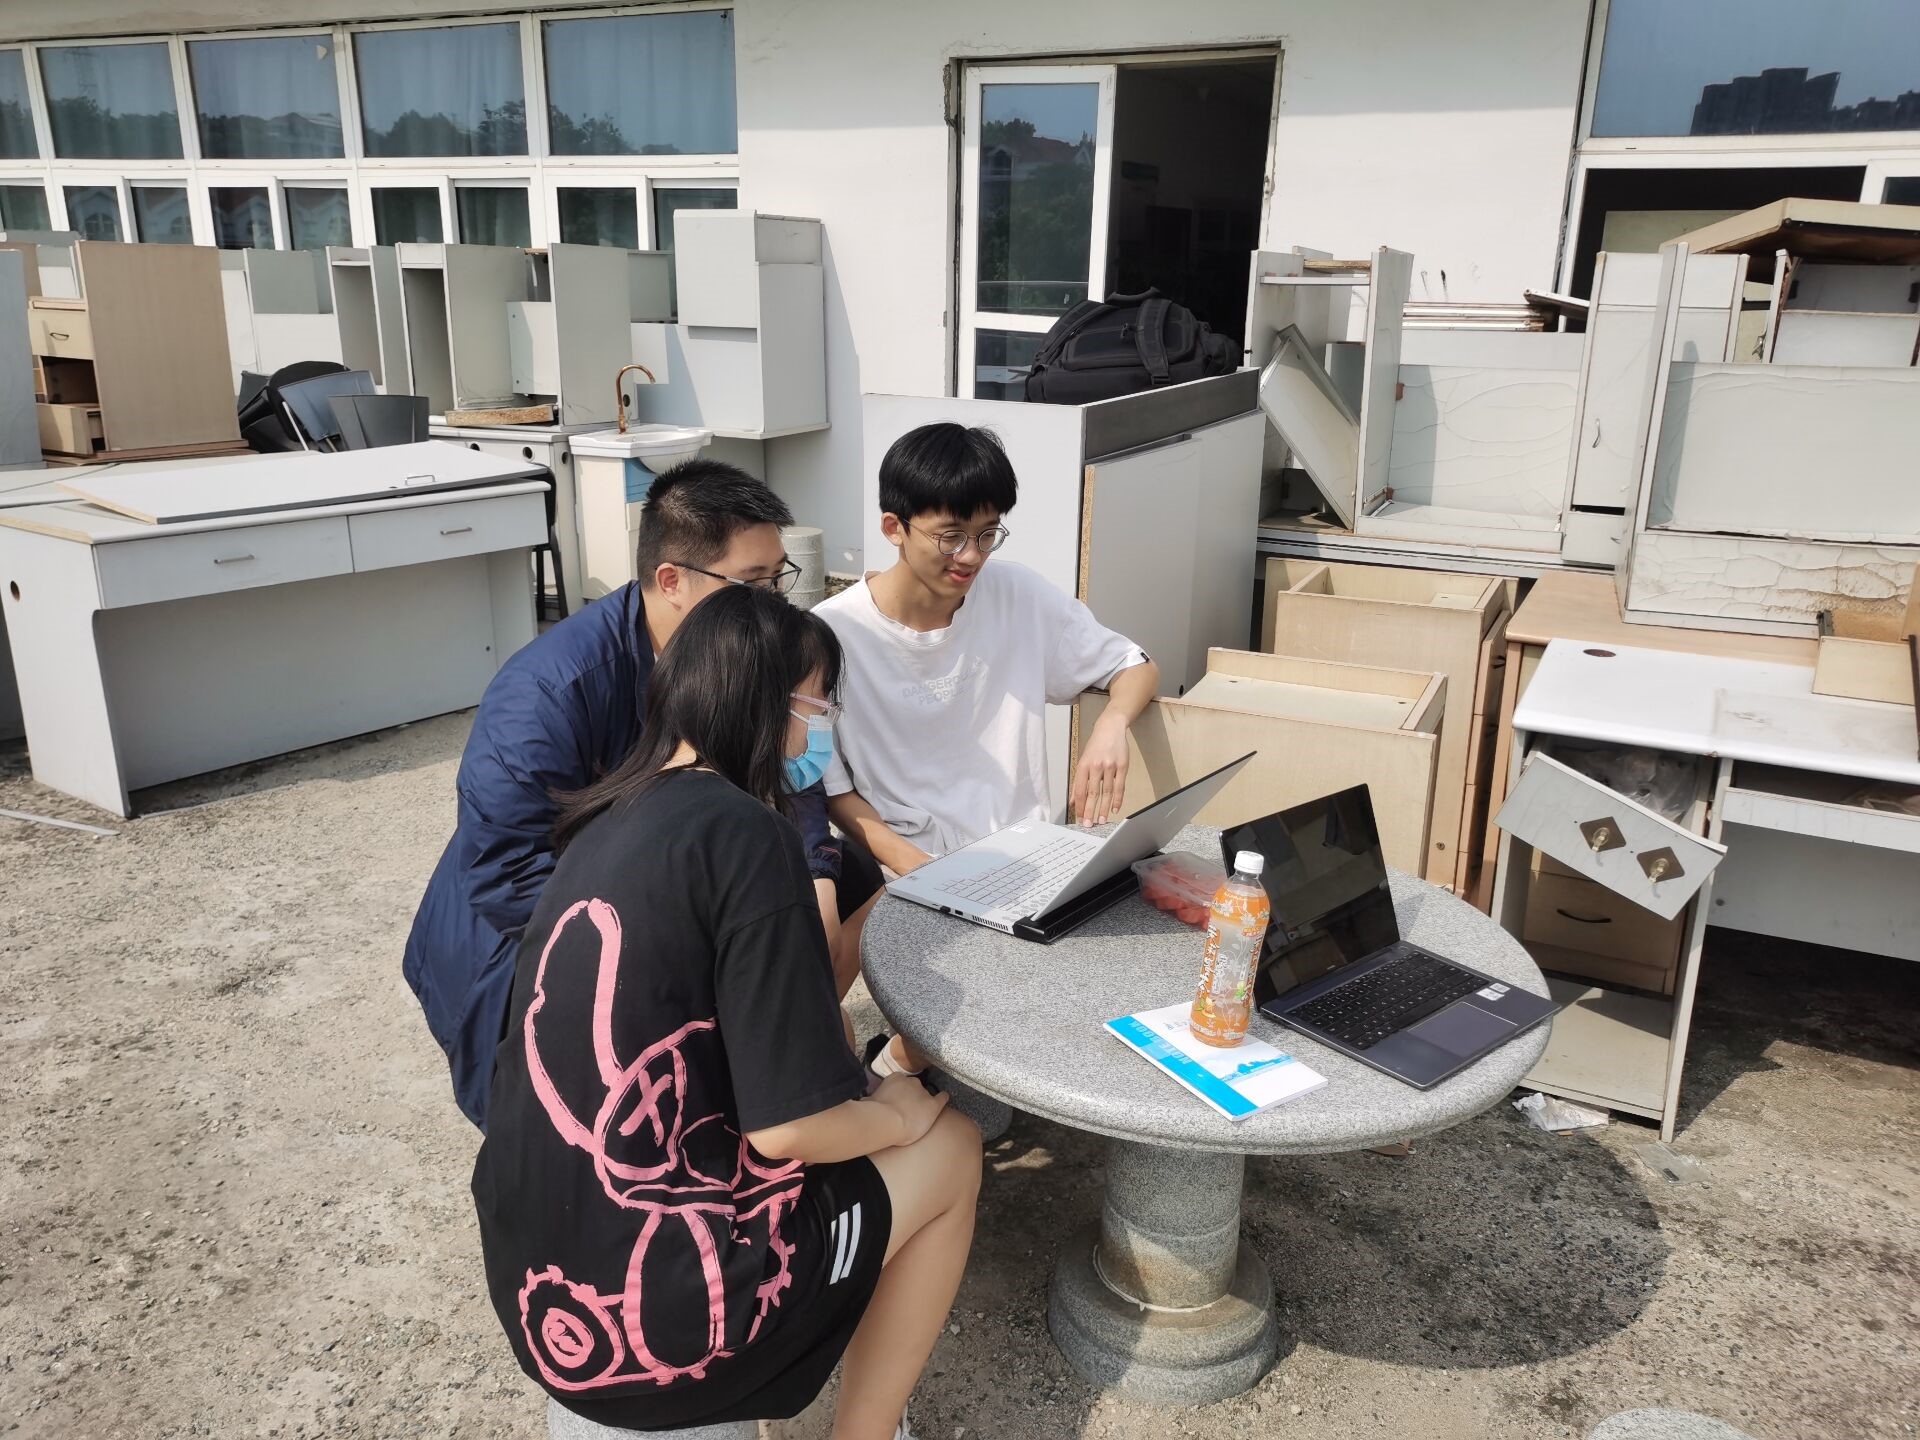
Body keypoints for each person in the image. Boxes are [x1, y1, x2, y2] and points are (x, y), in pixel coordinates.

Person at [473, 586, 981, 1440]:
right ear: (768, 702)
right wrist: (897, 1115)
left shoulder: (608, 816)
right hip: (664, 1328)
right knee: (953, 1147)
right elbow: (790, 1130)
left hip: (542, 1293)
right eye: (820, 703)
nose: (820, 730)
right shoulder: (751, 836)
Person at [404, 459, 882, 1128]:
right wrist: (684, 944)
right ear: (671, 581)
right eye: (752, 583)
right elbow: (508, 876)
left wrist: (817, 879)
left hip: (669, 877)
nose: (772, 603)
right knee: (574, 1121)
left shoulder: (742, 652)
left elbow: (785, 763)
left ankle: (771, 1072)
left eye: (779, 580)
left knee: (845, 877)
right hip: (530, 937)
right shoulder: (547, 693)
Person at [818, 421, 1159, 1079]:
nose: (970, 557)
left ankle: (900, 1062)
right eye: (950, 536)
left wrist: (1111, 725)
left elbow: (1134, 664)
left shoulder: (1016, 594)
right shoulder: (830, 633)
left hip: (1027, 857)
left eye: (987, 533)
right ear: (894, 527)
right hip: (911, 866)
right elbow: (832, 790)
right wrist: (922, 871)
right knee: (972, 1064)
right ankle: (891, 1065)